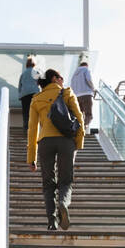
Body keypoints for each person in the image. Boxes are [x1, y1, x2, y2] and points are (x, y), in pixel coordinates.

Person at [27, 68, 84, 231]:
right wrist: (78, 143)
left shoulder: (36, 99)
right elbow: (79, 117)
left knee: (48, 183)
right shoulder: (67, 93)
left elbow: (32, 130)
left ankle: (52, 221)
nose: (62, 81)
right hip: (66, 140)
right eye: (61, 77)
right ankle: (63, 203)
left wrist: (32, 158)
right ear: (54, 78)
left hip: (45, 142)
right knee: (65, 180)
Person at [70, 57, 96, 132]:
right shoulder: (86, 69)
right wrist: (93, 89)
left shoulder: (74, 74)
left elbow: (72, 86)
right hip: (86, 94)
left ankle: (77, 128)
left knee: (79, 114)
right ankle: (83, 127)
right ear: (86, 66)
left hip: (77, 96)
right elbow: (89, 80)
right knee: (88, 114)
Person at [18, 57, 42, 132]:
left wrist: (20, 94)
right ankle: (34, 129)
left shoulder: (23, 73)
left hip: (24, 95)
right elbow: (41, 82)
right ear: (34, 64)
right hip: (34, 94)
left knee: (25, 112)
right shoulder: (36, 72)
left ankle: (26, 129)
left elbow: (20, 85)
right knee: (34, 112)